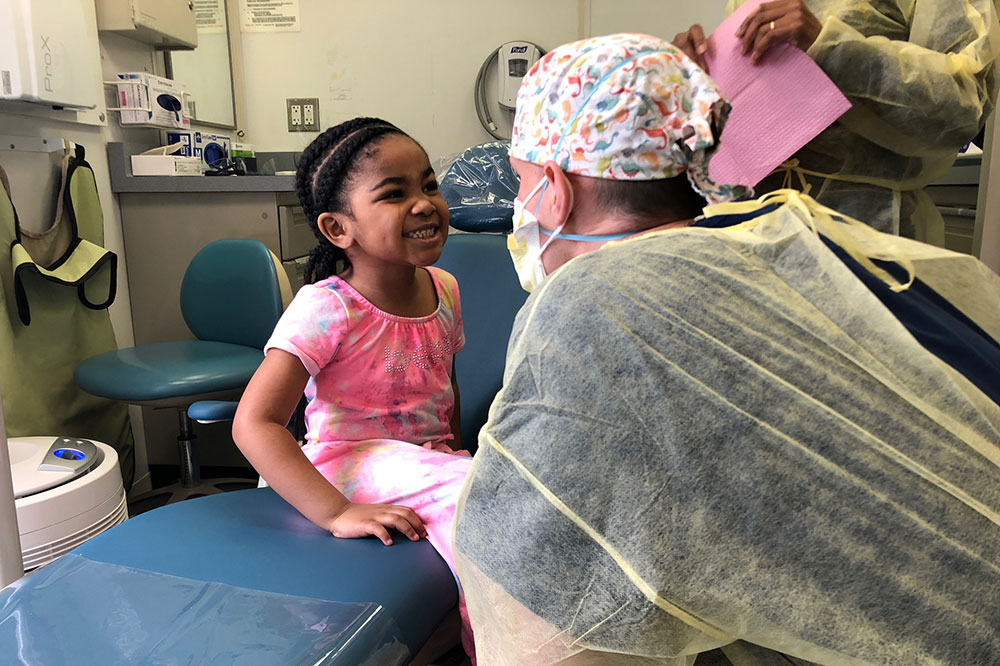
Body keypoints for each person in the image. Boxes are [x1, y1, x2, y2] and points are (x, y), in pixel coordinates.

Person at [452, 33, 1000, 666]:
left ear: (555, 186)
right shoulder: (780, 242)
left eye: (522, 184)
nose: (522, 205)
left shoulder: (599, 303)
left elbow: (537, 588)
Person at [232, 117, 475, 659]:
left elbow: (444, 392)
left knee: (500, 486)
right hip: (346, 462)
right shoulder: (328, 306)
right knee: (484, 503)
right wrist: (337, 513)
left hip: (421, 461)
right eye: (395, 193)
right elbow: (254, 423)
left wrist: (453, 454)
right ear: (339, 229)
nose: (423, 202)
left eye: (429, 185)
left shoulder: (446, 289)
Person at [672, 0, 1000, 242]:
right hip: (754, 229)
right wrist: (685, 75)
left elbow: (964, 107)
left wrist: (833, 48)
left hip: (869, 237)